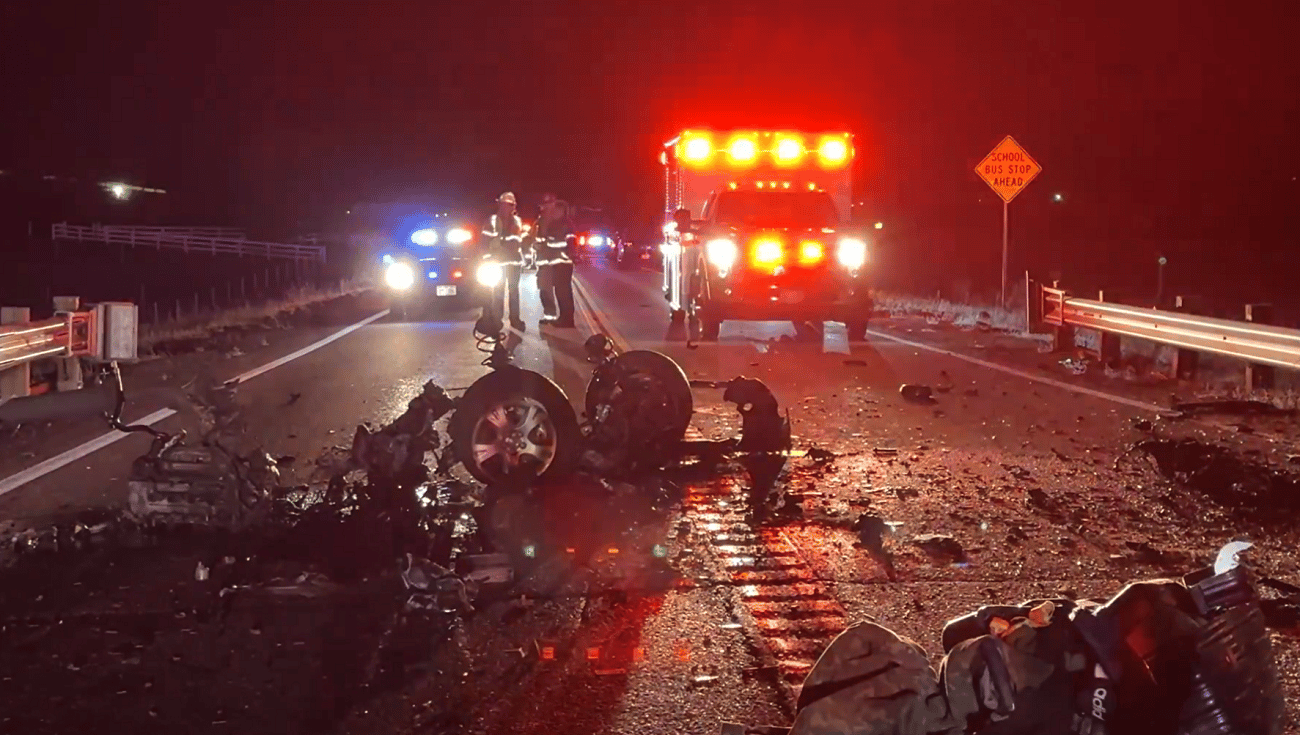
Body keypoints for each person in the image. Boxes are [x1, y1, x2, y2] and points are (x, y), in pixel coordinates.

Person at [481, 192, 526, 332]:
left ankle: (515, 319)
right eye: (505, 205)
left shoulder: (518, 221)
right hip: (498, 262)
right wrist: (486, 258)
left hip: (513, 262)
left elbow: (522, 240)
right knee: (498, 292)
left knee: (514, 292)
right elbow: (484, 240)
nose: (507, 208)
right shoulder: (492, 221)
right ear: (500, 205)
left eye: (510, 205)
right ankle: (497, 320)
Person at [533, 192, 576, 328]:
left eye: (548, 204)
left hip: (561, 261)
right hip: (545, 261)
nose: (545, 207)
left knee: (562, 291)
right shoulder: (541, 221)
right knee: (545, 289)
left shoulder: (564, 220)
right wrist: (537, 245)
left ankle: (567, 319)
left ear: (554, 204)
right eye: (543, 205)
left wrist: (571, 253)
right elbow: (539, 239)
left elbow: (571, 238)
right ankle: (550, 316)